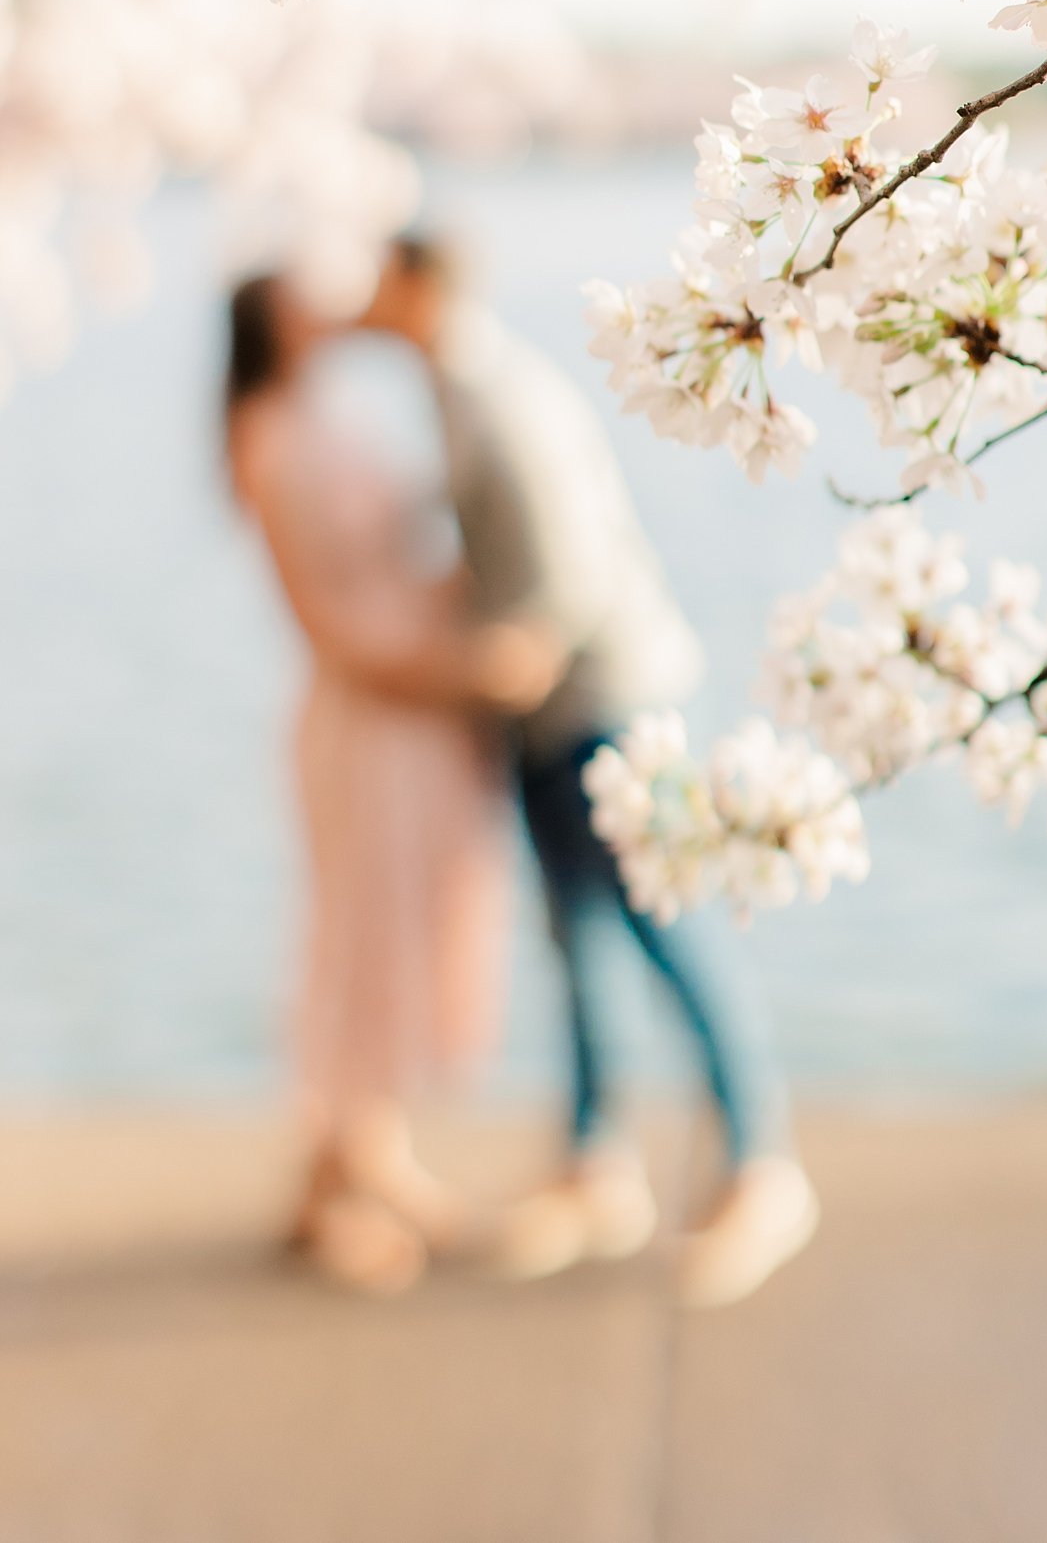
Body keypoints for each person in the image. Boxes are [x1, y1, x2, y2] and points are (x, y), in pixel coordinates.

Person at [361, 234, 819, 1308]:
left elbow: (561, 583)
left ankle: (763, 1164)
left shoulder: (498, 397)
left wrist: (456, 676)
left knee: (673, 928)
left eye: (380, 282)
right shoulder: (457, 386)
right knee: (577, 936)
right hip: (555, 712)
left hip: (612, 704)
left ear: (421, 285)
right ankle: (595, 1161)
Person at [226, 271, 562, 1294]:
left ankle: (348, 1162)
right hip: (373, 714)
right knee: (361, 934)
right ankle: (357, 1172)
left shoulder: (325, 414)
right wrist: (452, 678)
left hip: (408, 710)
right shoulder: (268, 432)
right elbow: (319, 622)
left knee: (402, 924)